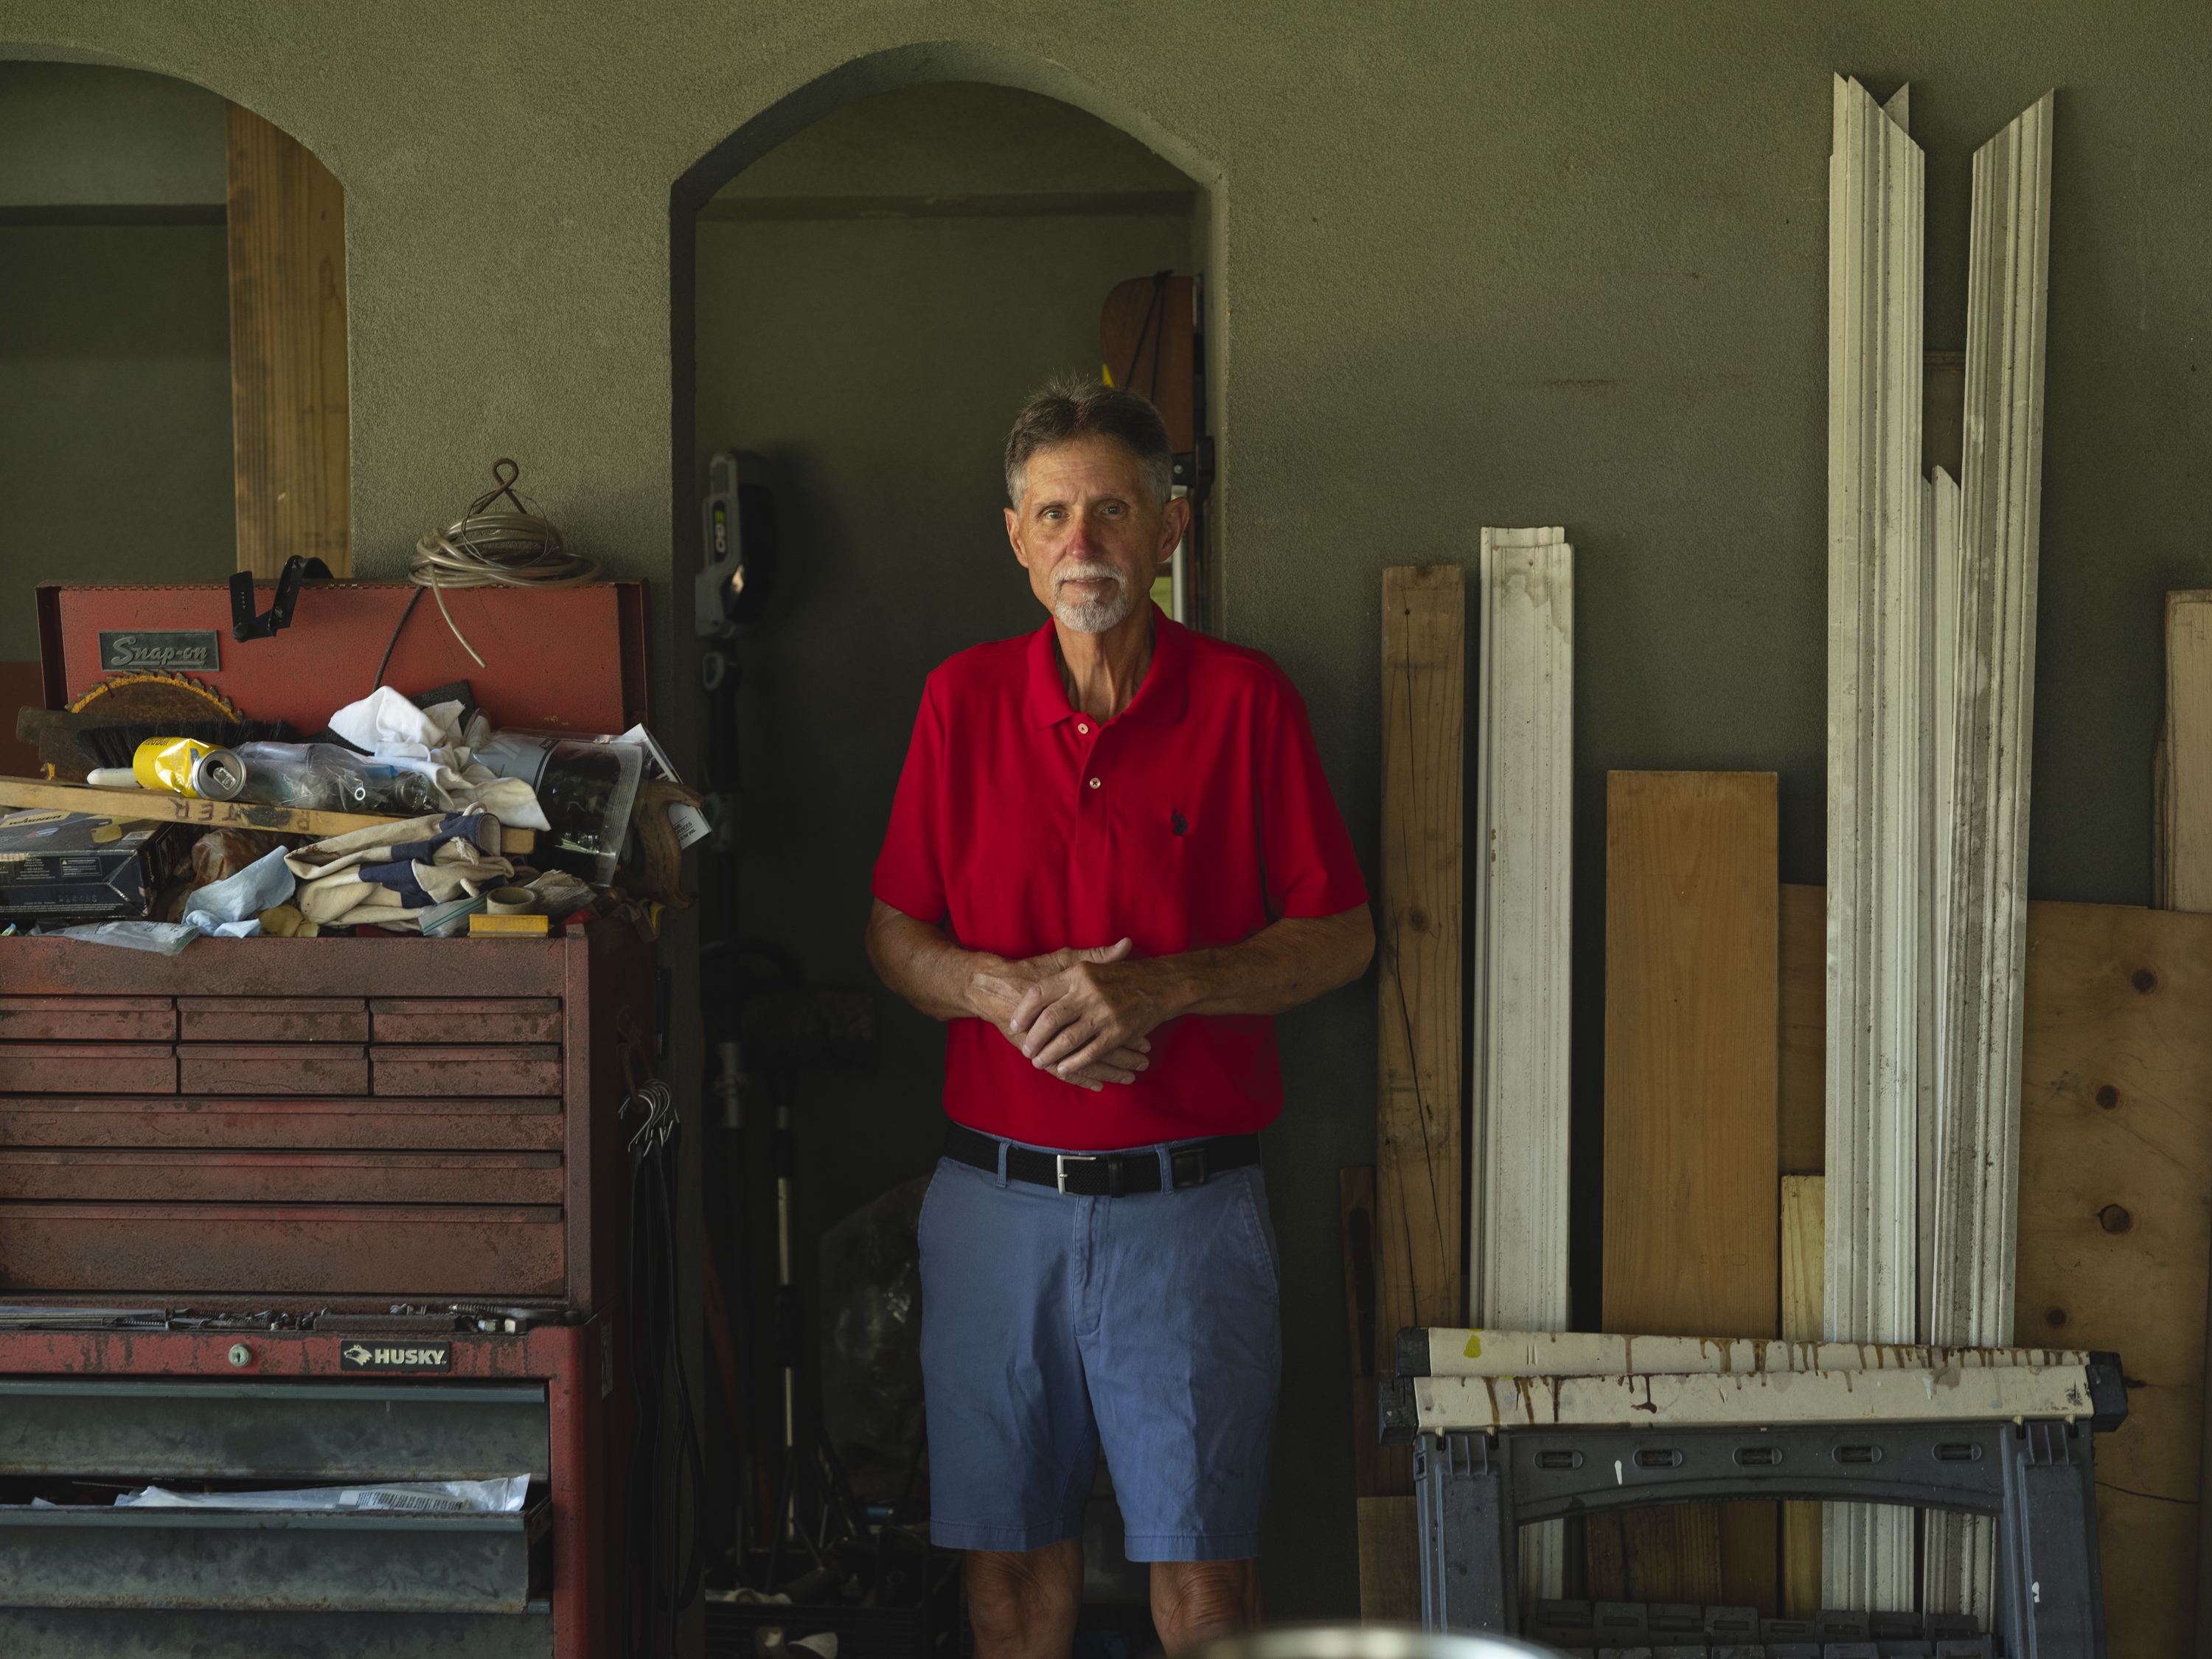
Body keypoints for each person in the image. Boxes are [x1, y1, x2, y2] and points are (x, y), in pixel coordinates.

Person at [866, 377, 1373, 1658]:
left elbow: (1342, 936)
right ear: (1016, 538)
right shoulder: (959, 702)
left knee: (1208, 1598)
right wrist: (997, 988)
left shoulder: (1249, 704)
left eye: (1110, 511)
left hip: (1188, 1214)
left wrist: (1168, 982)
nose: (1081, 544)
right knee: (1008, 1589)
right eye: (1053, 516)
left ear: (1169, 530)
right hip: (995, 1212)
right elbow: (893, 932)